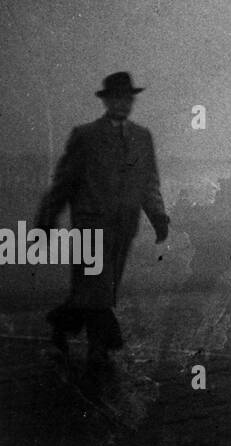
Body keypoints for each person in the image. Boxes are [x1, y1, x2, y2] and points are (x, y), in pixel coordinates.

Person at [34, 72, 170, 389]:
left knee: (100, 289)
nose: (123, 103)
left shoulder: (142, 137)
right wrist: (46, 219)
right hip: (91, 226)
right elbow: (64, 182)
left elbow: (149, 182)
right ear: (106, 101)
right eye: (117, 98)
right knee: (97, 288)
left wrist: (159, 216)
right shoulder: (86, 135)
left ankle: (60, 326)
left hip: (124, 227)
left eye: (128, 98)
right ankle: (99, 349)